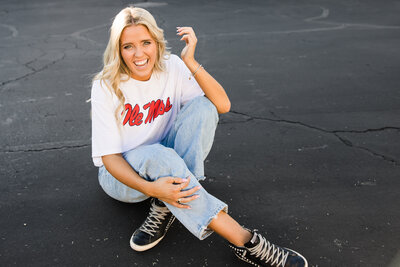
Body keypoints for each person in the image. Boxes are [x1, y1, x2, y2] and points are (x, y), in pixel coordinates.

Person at [90, 6, 308, 267]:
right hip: (123, 178)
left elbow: (222, 105)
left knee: (203, 107)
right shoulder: (106, 84)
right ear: (117, 49)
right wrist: (149, 188)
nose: (139, 54)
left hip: (166, 159)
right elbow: (110, 158)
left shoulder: (172, 66)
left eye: (146, 42)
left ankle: (167, 202)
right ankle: (245, 241)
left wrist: (190, 62)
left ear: (156, 42)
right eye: (128, 46)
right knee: (161, 156)